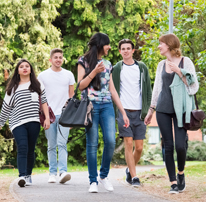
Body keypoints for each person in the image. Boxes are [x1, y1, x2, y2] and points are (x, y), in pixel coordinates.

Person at [144, 33, 199, 194]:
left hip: (181, 110)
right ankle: (173, 182)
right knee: (168, 146)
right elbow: (157, 89)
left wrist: (179, 72)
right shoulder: (161, 64)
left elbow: (194, 87)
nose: (159, 46)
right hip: (163, 109)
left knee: (180, 146)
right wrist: (150, 111)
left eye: (161, 43)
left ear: (169, 45)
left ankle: (181, 173)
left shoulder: (185, 62)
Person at [77, 32, 129, 193]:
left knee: (111, 141)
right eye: (107, 44)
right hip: (90, 106)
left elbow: (112, 90)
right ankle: (93, 181)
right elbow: (80, 86)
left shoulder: (108, 63)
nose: (110, 47)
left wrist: (123, 112)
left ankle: (103, 176)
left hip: (107, 105)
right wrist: (93, 71)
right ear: (100, 45)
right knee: (92, 144)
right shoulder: (83, 61)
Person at [0, 59, 50, 187]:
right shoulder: (13, 87)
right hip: (17, 122)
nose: (24, 68)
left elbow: (44, 102)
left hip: (34, 121)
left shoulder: (37, 84)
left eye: (27, 66)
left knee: (30, 149)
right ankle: (22, 176)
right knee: (22, 147)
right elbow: (6, 107)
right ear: (17, 71)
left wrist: (47, 118)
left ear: (30, 69)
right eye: (21, 67)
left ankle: (28, 175)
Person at [112, 39, 152, 187]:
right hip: (124, 112)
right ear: (120, 51)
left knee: (139, 147)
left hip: (139, 113)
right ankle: (135, 178)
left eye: (128, 48)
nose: (126, 51)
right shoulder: (117, 68)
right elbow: (113, 90)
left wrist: (148, 111)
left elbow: (148, 90)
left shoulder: (141, 68)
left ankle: (130, 170)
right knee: (128, 143)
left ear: (133, 51)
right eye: (123, 49)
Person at [38, 48, 75, 184]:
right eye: (56, 57)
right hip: (49, 115)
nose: (58, 59)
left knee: (62, 144)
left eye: (60, 57)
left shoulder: (69, 74)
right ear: (50, 60)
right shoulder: (42, 76)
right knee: (51, 145)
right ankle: (52, 173)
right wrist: (43, 116)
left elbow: (71, 96)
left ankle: (63, 172)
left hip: (65, 115)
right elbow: (40, 97)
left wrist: (72, 117)